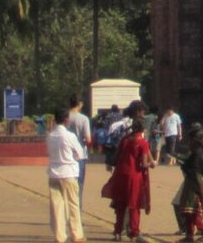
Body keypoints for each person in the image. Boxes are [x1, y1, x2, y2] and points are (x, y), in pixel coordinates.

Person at [100, 109, 153, 240]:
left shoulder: (125, 139)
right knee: (134, 205)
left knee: (120, 204)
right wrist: (152, 163)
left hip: (121, 174)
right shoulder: (142, 142)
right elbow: (144, 163)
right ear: (143, 129)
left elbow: (117, 156)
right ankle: (134, 232)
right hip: (134, 176)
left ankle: (118, 231)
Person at [171, 123, 203, 240]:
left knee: (192, 212)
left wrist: (179, 159)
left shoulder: (198, 153)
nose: (189, 143)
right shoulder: (196, 152)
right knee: (189, 211)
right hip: (193, 183)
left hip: (196, 185)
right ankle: (189, 235)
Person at [47, 106, 87, 243]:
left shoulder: (50, 136)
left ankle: (59, 236)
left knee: (56, 207)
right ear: (66, 120)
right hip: (68, 173)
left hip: (54, 173)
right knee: (73, 205)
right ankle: (76, 235)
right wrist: (71, 157)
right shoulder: (70, 136)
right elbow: (80, 154)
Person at [66, 96, 92, 201]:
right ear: (80, 104)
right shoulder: (83, 119)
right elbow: (88, 139)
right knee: (79, 186)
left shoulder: (64, 117)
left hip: (66, 153)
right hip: (79, 154)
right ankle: (77, 209)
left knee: (67, 185)